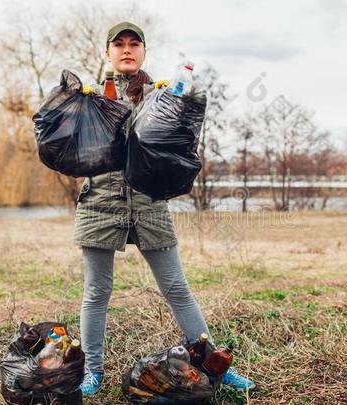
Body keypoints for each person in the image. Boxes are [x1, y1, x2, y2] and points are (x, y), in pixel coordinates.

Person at [75, 21, 255, 397]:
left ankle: (216, 369)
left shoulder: (163, 96)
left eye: (134, 44)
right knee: (97, 291)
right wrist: (77, 102)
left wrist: (179, 103)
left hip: (149, 203)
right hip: (100, 201)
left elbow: (183, 144)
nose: (127, 49)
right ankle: (92, 371)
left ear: (143, 52)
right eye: (119, 44)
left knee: (177, 287)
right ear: (107, 53)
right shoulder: (92, 97)